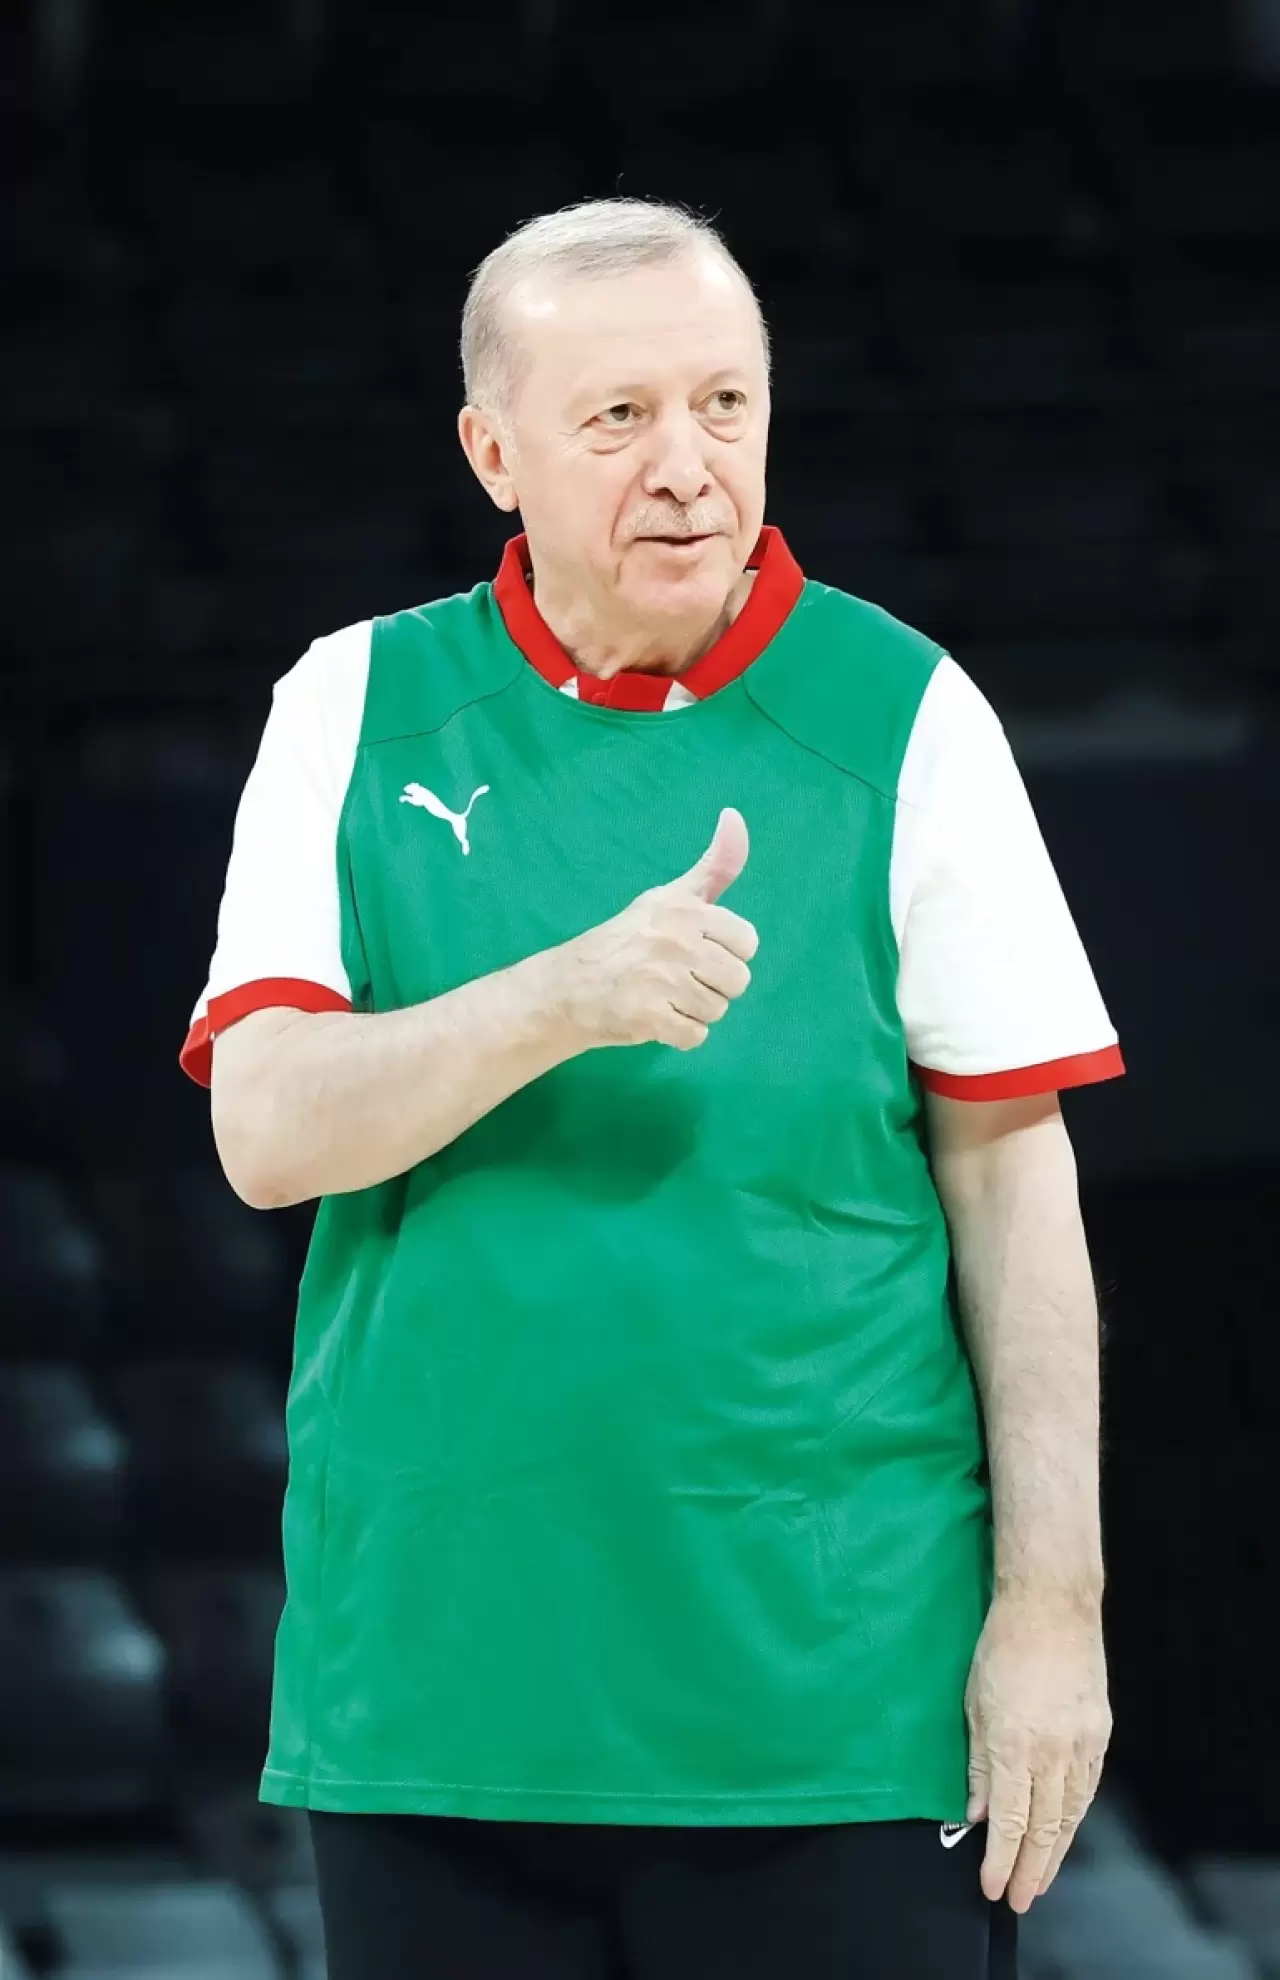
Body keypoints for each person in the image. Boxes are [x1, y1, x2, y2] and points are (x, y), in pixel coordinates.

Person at [181, 198, 1123, 1980]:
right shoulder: (351, 705)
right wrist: (560, 998)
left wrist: (1051, 1612)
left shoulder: (909, 710)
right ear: (495, 454)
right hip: (439, 1694)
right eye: (618, 417)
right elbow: (267, 1129)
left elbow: (1016, 1178)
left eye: (724, 404)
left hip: (836, 1698)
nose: (687, 467)